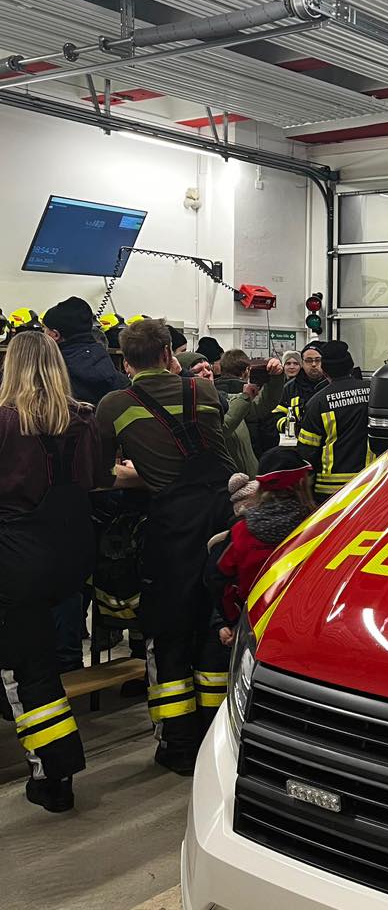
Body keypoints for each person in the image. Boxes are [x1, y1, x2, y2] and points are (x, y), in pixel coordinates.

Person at [96, 319, 233, 774]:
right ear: (168, 353)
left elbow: (99, 474)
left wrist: (139, 475)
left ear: (124, 359)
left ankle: (177, 746)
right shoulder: (206, 393)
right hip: (221, 523)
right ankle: (218, 736)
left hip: (170, 530)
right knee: (214, 626)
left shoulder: (115, 404)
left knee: (169, 633)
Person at [0, 332, 107, 812]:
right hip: (69, 555)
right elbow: (94, 481)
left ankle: (54, 774)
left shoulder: (3, 422)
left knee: (25, 673)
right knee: (39, 660)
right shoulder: (82, 419)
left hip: (17, 558)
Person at [205, 449, 315, 649]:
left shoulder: (242, 531)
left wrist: (231, 619)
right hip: (304, 625)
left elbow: (216, 578)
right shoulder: (317, 526)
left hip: (255, 626)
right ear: (301, 483)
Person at [296, 341, 370, 500]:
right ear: (351, 366)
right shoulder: (373, 391)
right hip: (370, 480)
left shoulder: (318, 402)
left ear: (324, 370)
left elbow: (307, 451)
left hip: (331, 490)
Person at [42, 296, 130, 406]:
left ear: (55, 335)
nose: (43, 333)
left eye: (44, 329)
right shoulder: (104, 360)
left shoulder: (52, 370)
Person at [274, 342, 325, 433]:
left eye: (317, 360)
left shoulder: (331, 385)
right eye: (309, 360)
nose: (313, 364)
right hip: (297, 442)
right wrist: (292, 428)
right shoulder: (289, 388)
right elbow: (277, 415)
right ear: (302, 363)